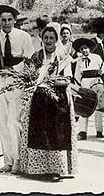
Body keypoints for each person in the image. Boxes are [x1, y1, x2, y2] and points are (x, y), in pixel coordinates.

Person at [0, 5, 34, 174]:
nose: (6, 23)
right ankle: (8, 161)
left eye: (10, 20)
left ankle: (18, 159)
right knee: (2, 121)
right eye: (3, 20)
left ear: (15, 20)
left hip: (16, 79)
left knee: (14, 120)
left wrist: (25, 79)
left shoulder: (23, 36)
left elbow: (30, 59)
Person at [18, 26, 78, 182]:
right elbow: (29, 76)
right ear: (42, 39)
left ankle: (56, 169)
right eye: (46, 38)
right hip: (39, 98)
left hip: (58, 99)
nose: (49, 41)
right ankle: (38, 168)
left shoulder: (62, 56)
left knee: (56, 132)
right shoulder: (36, 56)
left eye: (52, 38)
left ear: (56, 39)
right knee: (39, 131)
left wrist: (55, 81)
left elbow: (68, 79)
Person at [73, 37, 104, 140]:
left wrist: (103, 75)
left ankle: (99, 130)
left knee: (98, 107)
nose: (84, 50)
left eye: (86, 48)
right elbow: (77, 76)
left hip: (96, 83)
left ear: (90, 48)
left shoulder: (97, 58)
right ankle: (83, 131)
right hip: (85, 85)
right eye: (81, 49)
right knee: (84, 107)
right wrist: (79, 88)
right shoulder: (79, 61)